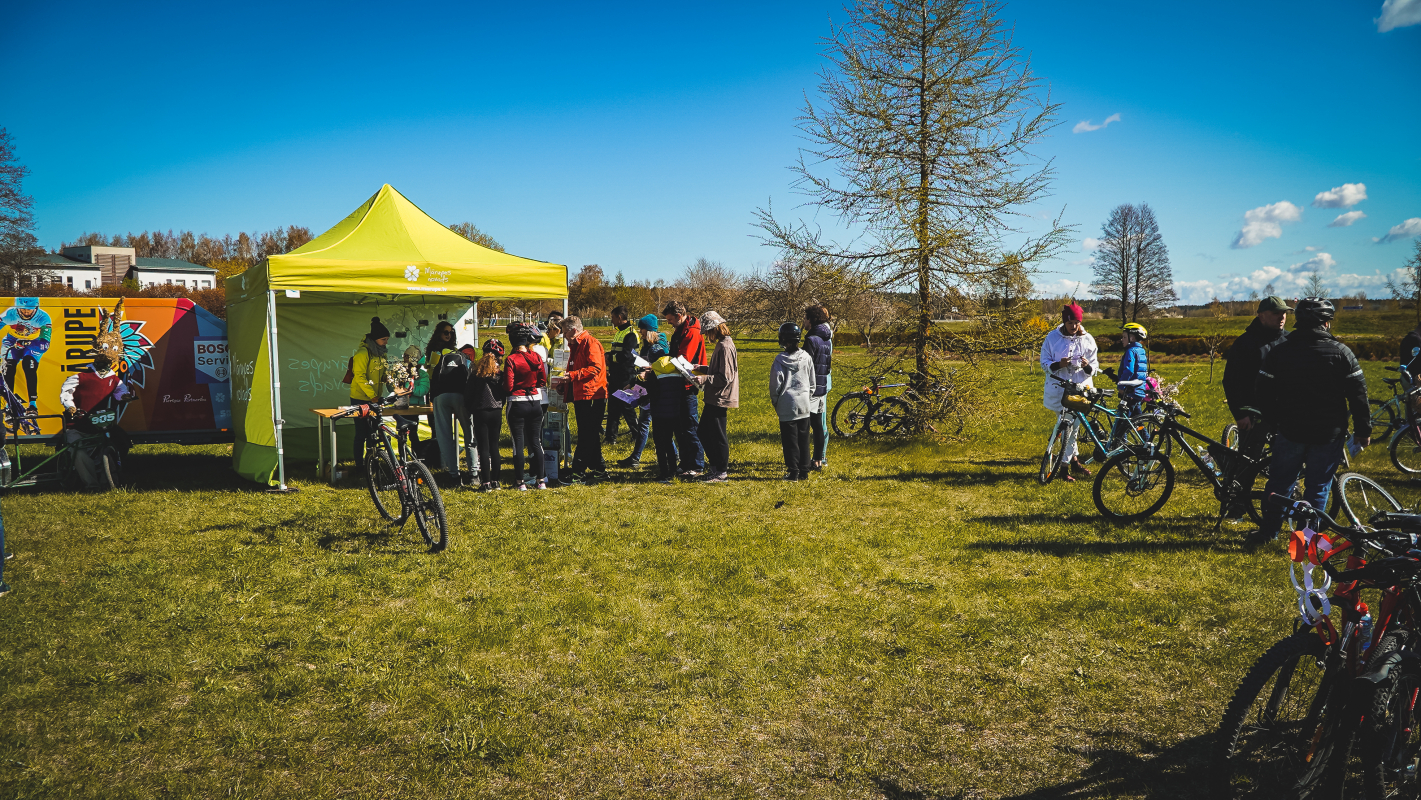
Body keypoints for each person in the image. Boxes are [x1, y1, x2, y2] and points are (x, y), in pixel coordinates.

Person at [1251, 298, 1370, 546]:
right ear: (1326, 323)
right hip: (1328, 433)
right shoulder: (1341, 352)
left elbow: (1262, 392)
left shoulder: (1280, 351)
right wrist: (1362, 430)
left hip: (1290, 429)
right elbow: (1359, 395)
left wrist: (1273, 421)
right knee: (1317, 488)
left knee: (1279, 484)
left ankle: (1268, 532)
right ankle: (1306, 540)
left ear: (1298, 321)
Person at [1222, 296, 1291, 459]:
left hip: (1285, 413)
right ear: (1261, 315)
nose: (1282, 317)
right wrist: (1240, 414)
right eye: (1276, 313)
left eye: (1284, 313)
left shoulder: (1290, 341)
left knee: (1286, 461)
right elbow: (1231, 381)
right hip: (1254, 415)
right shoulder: (1245, 343)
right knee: (1247, 463)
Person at [1038, 303, 1098, 482]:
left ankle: (1070, 462)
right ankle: (1066, 467)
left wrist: (1087, 366)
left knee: (1073, 427)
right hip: (1059, 389)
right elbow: (1044, 363)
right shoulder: (1052, 338)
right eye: (1071, 322)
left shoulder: (1087, 339)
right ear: (1065, 322)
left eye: (1077, 323)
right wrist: (1059, 364)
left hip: (1080, 389)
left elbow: (1095, 366)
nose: (1074, 326)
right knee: (1068, 428)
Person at [559, 315, 608, 485]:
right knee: (590, 434)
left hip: (593, 395)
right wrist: (565, 384)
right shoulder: (576, 345)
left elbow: (595, 368)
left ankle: (578, 472)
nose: (564, 337)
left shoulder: (590, 343)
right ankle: (599, 469)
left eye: (565, 333)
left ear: (574, 330)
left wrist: (572, 376)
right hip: (583, 394)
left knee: (586, 435)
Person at [691, 311, 738, 483]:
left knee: (718, 435)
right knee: (704, 431)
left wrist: (703, 378)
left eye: (707, 332)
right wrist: (703, 368)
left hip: (720, 397)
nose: (707, 336)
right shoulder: (722, 344)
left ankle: (721, 472)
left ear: (714, 329)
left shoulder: (725, 346)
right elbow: (718, 370)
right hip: (714, 396)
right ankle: (715, 468)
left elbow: (724, 378)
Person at [426, 321, 475, 486]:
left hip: (440, 395)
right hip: (461, 395)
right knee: (470, 433)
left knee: (445, 436)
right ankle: (474, 474)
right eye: (446, 332)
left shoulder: (432, 352)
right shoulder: (456, 352)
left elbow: (431, 374)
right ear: (439, 333)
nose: (448, 335)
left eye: (450, 332)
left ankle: (454, 475)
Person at [663, 300, 706, 477]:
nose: (669, 323)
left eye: (671, 320)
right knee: (680, 426)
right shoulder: (681, 330)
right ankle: (686, 461)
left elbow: (684, 359)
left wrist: (663, 364)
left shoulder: (692, 333)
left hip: (689, 383)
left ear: (679, 316)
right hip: (678, 382)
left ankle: (696, 465)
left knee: (689, 426)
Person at [617, 314, 666, 469]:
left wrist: (649, 373)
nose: (640, 331)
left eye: (642, 328)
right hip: (644, 388)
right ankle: (673, 455)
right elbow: (642, 366)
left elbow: (662, 368)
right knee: (649, 423)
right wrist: (632, 383)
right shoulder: (646, 345)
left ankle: (635, 458)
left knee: (648, 423)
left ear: (649, 329)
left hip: (655, 390)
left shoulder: (659, 348)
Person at [504, 325, 548, 490]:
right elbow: (543, 380)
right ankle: (541, 480)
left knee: (518, 443)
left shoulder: (512, 359)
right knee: (536, 442)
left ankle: (520, 482)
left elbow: (508, 386)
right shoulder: (536, 356)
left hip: (517, 402)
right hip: (535, 401)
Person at [770, 322, 814, 481]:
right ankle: (804, 471)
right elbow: (812, 382)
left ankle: (793, 471)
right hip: (804, 403)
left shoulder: (779, 360)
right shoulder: (807, 357)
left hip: (787, 403)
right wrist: (807, 397)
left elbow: (776, 384)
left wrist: (776, 401)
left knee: (790, 441)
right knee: (804, 438)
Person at [349, 317, 390, 470]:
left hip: (375, 398)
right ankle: (359, 465)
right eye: (383, 339)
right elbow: (359, 375)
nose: (386, 342)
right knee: (361, 433)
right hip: (360, 398)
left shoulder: (382, 353)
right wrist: (372, 394)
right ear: (374, 339)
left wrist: (388, 378)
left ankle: (372, 462)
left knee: (373, 433)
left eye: (387, 339)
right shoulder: (363, 352)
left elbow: (382, 373)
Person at [466, 338, 506, 491]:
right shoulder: (499, 374)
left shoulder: (476, 371)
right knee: (494, 446)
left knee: (483, 447)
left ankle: (486, 482)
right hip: (495, 410)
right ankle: (496, 481)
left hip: (480, 410)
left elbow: (468, 393)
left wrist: (470, 407)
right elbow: (504, 392)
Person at [1, 297, 53, 411]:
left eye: (29, 310)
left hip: (34, 343)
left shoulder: (43, 317)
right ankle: (8, 402)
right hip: (12, 341)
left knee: (29, 365)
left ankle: (33, 404)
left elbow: (44, 345)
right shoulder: (10, 314)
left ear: (36, 308)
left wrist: (27, 343)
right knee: (8, 367)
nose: (25, 312)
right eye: (22, 310)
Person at [642, 354, 687, 484]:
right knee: (670, 441)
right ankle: (673, 469)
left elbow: (650, 392)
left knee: (660, 443)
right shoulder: (677, 370)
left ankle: (663, 472)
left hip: (659, 413)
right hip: (675, 412)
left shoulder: (655, 373)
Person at [604, 306, 641, 444]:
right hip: (615, 375)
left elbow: (627, 355)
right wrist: (609, 355)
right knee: (613, 407)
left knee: (626, 406)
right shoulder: (619, 332)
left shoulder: (631, 334)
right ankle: (610, 437)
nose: (611, 321)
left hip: (626, 375)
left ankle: (637, 434)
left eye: (613, 318)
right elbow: (617, 351)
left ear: (620, 317)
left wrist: (610, 358)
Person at [803, 305, 833, 470]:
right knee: (819, 426)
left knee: (805, 426)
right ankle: (818, 460)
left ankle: (805, 460)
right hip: (822, 386)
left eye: (805, 318)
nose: (804, 321)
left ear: (811, 320)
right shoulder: (827, 339)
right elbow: (827, 365)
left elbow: (805, 366)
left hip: (810, 388)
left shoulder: (811, 339)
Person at [1109, 323, 1150, 445]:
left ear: (1132, 338)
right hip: (1138, 391)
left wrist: (1121, 387)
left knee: (1121, 423)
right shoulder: (1141, 350)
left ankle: (1121, 448)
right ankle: (1147, 443)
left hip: (1130, 391)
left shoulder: (1130, 351)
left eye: (1124, 337)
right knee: (1137, 421)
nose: (1122, 340)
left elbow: (1129, 370)